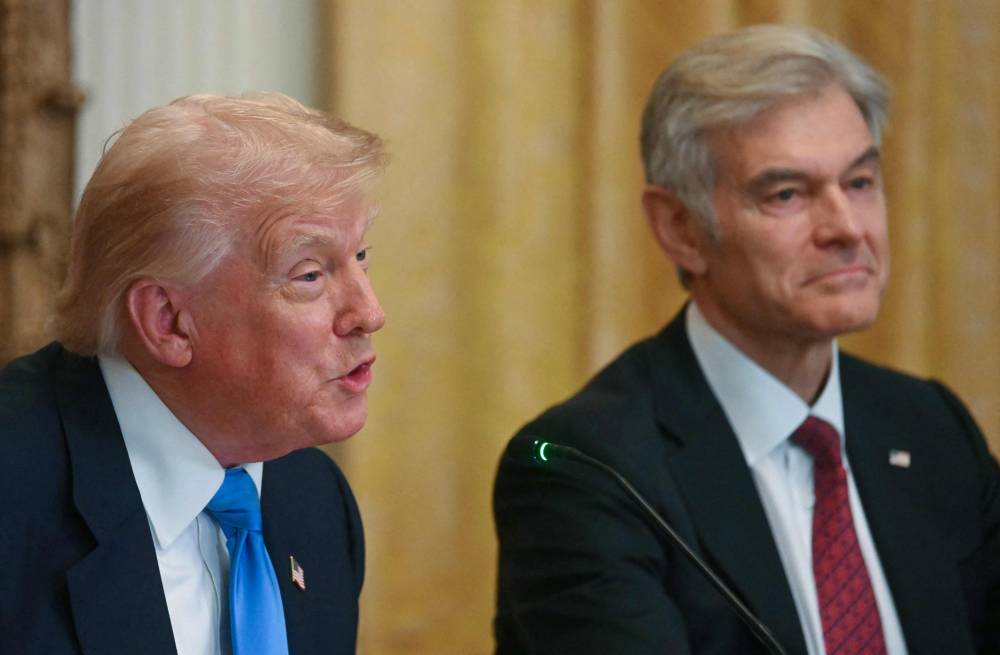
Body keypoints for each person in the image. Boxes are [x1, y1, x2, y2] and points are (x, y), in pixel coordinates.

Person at [493, 24, 1000, 655]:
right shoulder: (586, 471)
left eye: (860, 182)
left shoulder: (932, 428)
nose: (847, 228)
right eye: (787, 194)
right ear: (680, 228)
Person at [0, 92, 386, 654]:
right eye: (309, 275)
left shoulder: (315, 501)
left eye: (361, 256)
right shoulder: (14, 500)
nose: (369, 313)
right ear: (169, 321)